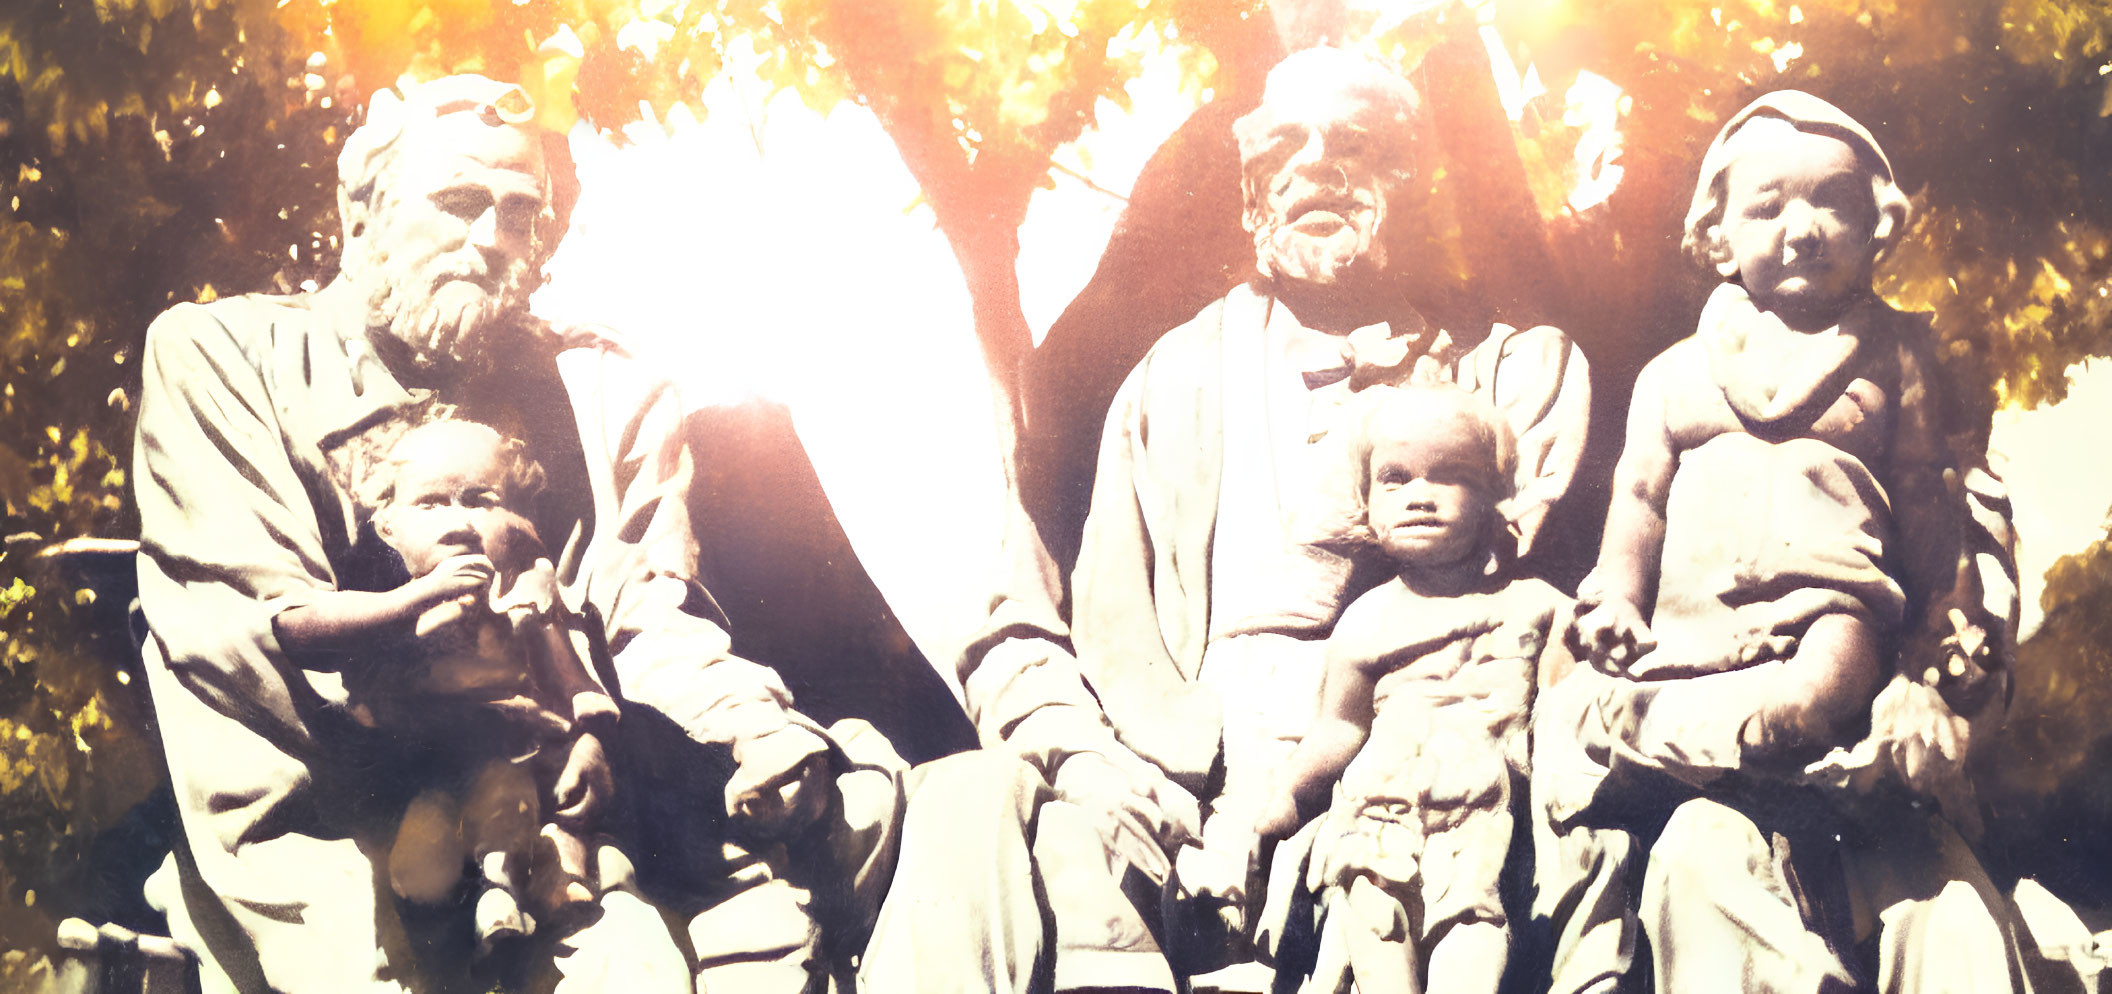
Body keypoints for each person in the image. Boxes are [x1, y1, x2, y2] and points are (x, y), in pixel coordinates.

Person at [131, 75, 877, 993]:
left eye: (519, 216)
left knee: (886, 817)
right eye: (456, 203)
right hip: (332, 824)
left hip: (561, 809)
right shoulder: (224, 355)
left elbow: (647, 609)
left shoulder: (593, 394)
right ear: (360, 213)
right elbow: (239, 632)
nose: (490, 241)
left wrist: (752, 729)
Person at [948, 44, 1590, 983]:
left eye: (1353, 144)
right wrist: (1117, 762)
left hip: (1410, 759)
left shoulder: (1515, 372)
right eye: (1281, 147)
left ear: (1411, 180)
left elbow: (1513, 585)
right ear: (1251, 188)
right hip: (1184, 767)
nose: (1312, 169)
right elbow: (1047, 624)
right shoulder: (1171, 379)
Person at [1538, 89, 2024, 993]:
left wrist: (1941, 651)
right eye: (1768, 208)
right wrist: (1615, 595)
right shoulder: (1673, 376)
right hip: (1695, 652)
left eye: (1830, 202)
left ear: (1875, 224)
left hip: (1834, 622)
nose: (1801, 230)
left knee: (1941, 906)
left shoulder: (1895, 362)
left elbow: (1927, 516)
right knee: (1701, 854)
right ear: (1716, 237)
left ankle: (1802, 713)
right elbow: (1637, 499)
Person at [1247, 384, 1571, 994]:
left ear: (1496, 497)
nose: (1419, 496)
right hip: (1378, 809)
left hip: (1485, 812)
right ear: (1365, 502)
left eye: (1451, 476)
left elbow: (1567, 717)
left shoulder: (1537, 605)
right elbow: (1341, 730)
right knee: (1374, 920)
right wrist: (1288, 794)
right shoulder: (1367, 618)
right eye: (1394, 478)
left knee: (1472, 937)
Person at [292, 414, 619, 953]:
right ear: (388, 526)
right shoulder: (389, 599)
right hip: (426, 762)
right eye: (431, 502)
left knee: (534, 814)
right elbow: (313, 639)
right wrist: (415, 606)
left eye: (480, 500)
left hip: (522, 761)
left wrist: (588, 736)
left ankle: (541, 882)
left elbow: (571, 677)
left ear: (518, 523)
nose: (459, 518)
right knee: (428, 842)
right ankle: (477, 901)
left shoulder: (526, 595)